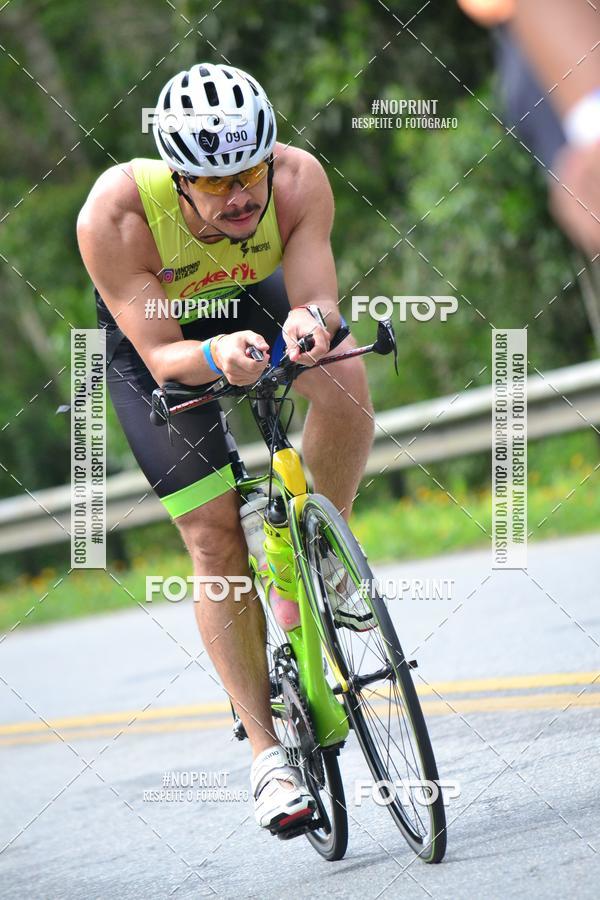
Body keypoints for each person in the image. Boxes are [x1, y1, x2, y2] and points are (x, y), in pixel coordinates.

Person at [76, 62, 375, 834]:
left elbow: (318, 299)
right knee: (214, 539)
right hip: (162, 343)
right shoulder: (116, 217)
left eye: (250, 172)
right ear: (177, 179)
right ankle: (268, 758)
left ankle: (319, 551)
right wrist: (215, 359)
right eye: (215, 184)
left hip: (254, 294)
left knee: (342, 377)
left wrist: (312, 326)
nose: (240, 195)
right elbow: (163, 355)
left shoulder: (300, 181)